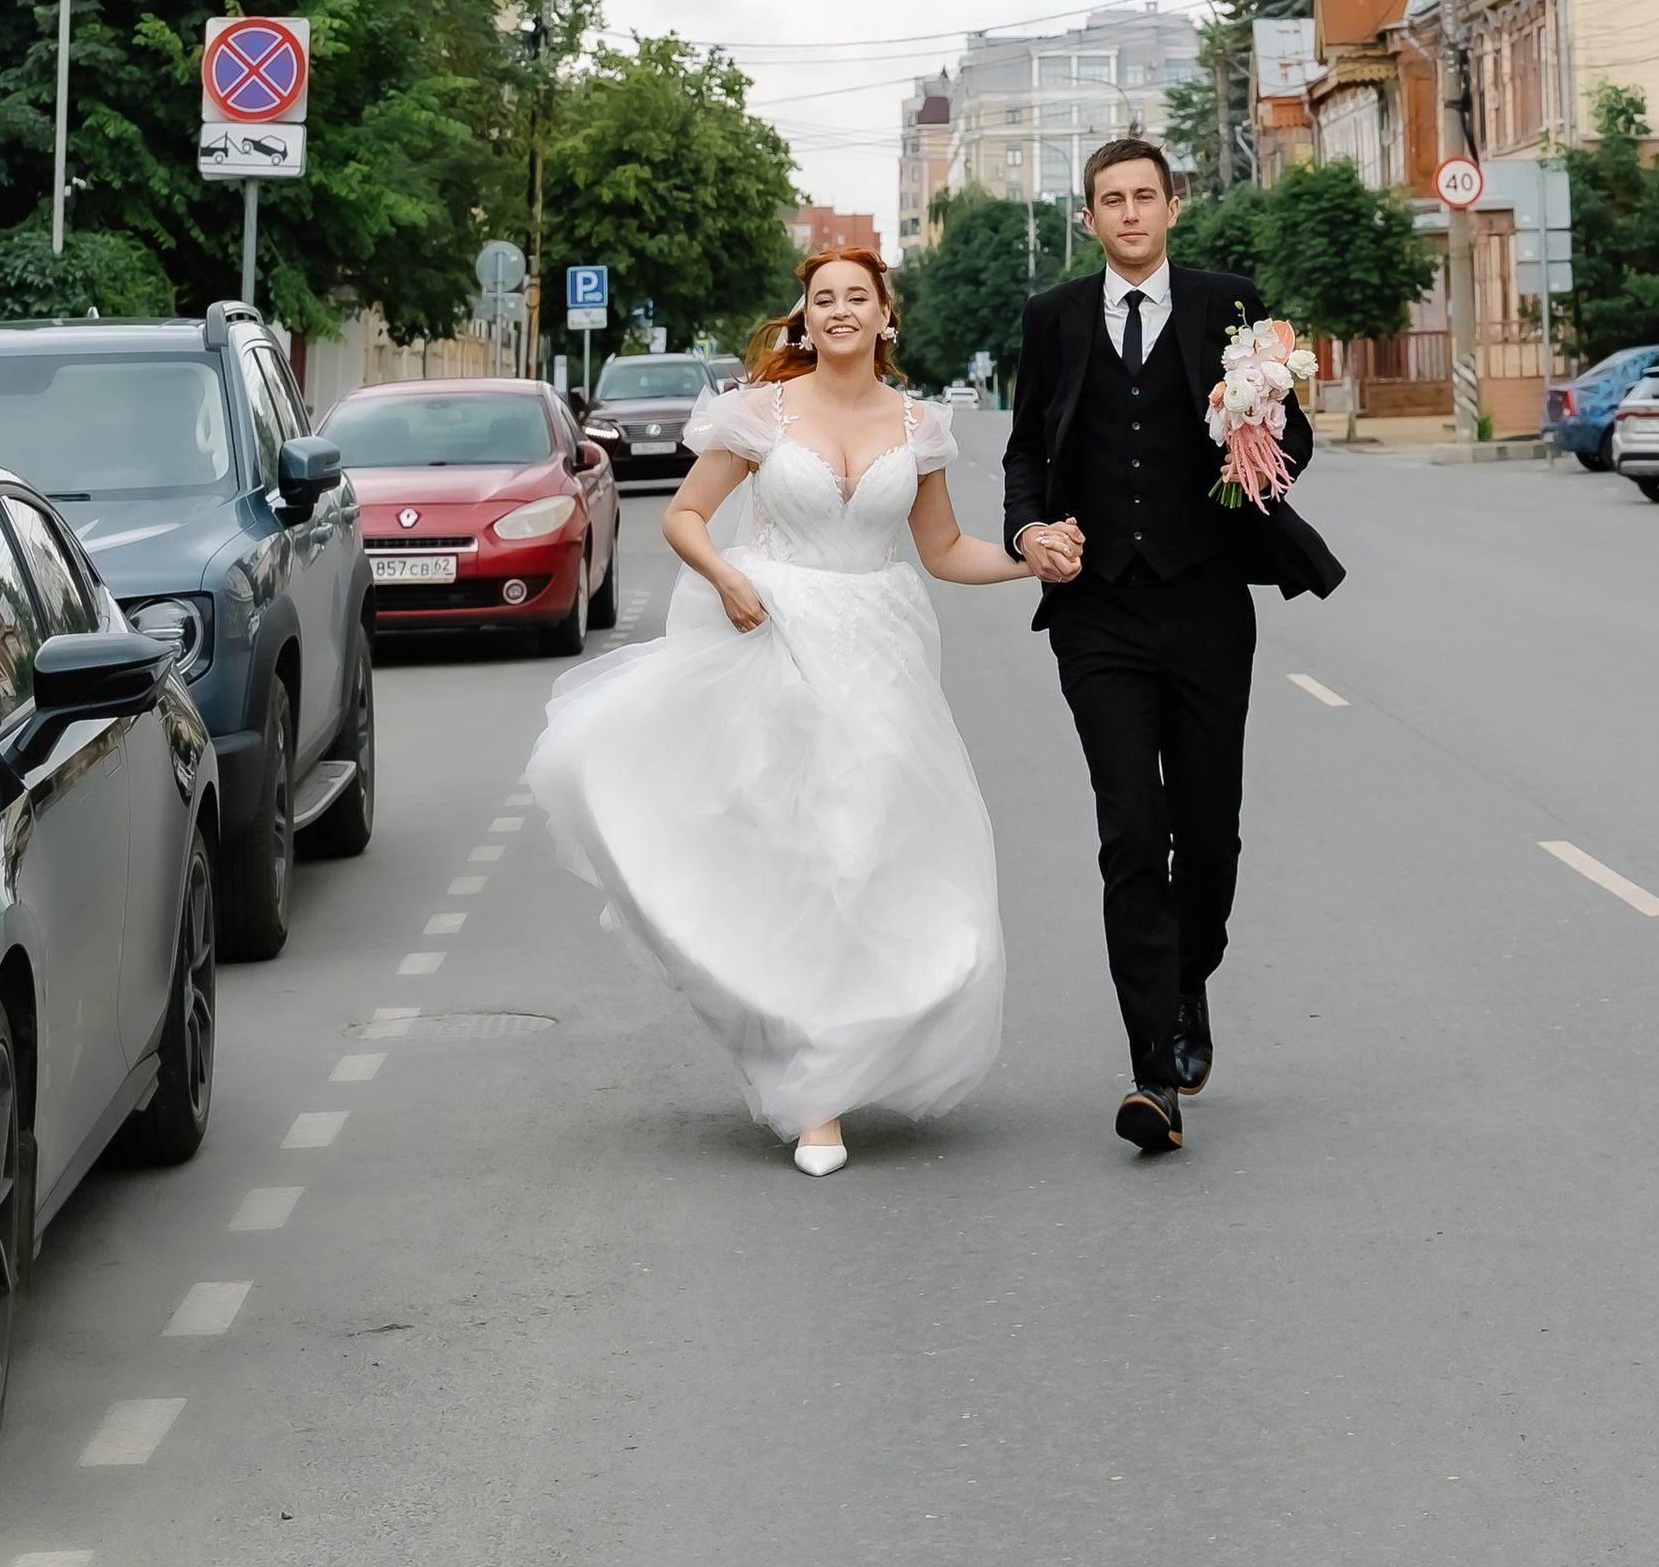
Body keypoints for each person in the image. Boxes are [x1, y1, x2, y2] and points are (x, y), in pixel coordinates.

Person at [526, 249, 1053, 1178]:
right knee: (800, 851)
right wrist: (728, 575)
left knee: (862, 849)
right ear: (803, 320)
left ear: (886, 314)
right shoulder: (757, 414)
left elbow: (942, 548)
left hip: (881, 648)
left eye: (858, 296)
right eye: (823, 299)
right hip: (771, 633)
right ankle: (817, 1096)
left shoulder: (921, 424)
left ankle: (838, 1056)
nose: (840, 310)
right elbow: (685, 515)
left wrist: (1028, 556)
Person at [1004, 136, 1342, 1157]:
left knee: (1208, 835)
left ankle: (1189, 972)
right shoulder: (1054, 318)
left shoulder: (1227, 301)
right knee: (1128, 831)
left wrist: (1264, 422)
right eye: (1110, 199)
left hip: (1202, 603)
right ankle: (1154, 1067)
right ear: (1089, 216)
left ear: (1172, 206)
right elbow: (1027, 447)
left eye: (1145, 195)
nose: (1130, 213)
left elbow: (1291, 445)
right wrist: (1029, 533)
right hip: (1098, 612)